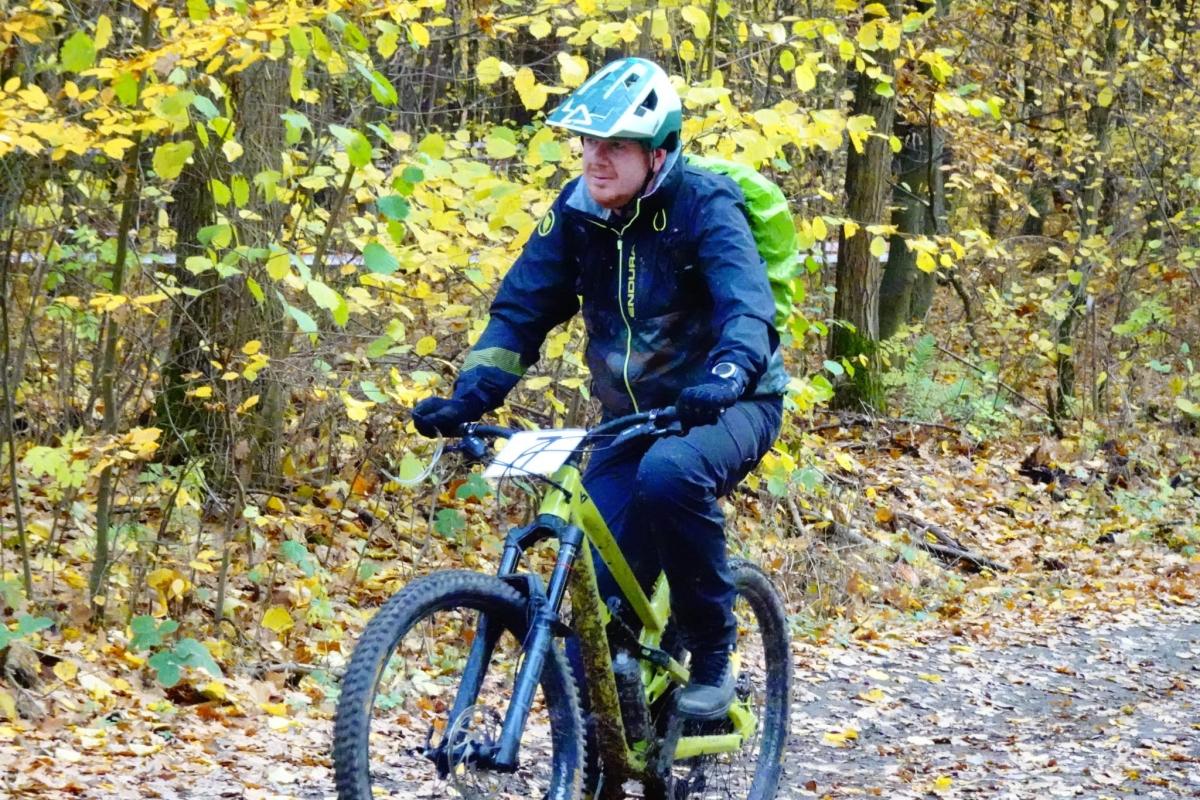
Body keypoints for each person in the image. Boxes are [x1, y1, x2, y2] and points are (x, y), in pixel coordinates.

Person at [412, 57, 787, 720]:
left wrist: (728, 373)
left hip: (731, 403)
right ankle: (606, 745)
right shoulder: (577, 213)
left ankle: (713, 653)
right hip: (629, 419)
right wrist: (471, 394)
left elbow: (747, 308)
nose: (595, 158)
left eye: (615, 145)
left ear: (658, 152)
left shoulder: (705, 204)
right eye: (588, 142)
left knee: (670, 475)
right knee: (595, 600)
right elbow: (521, 310)